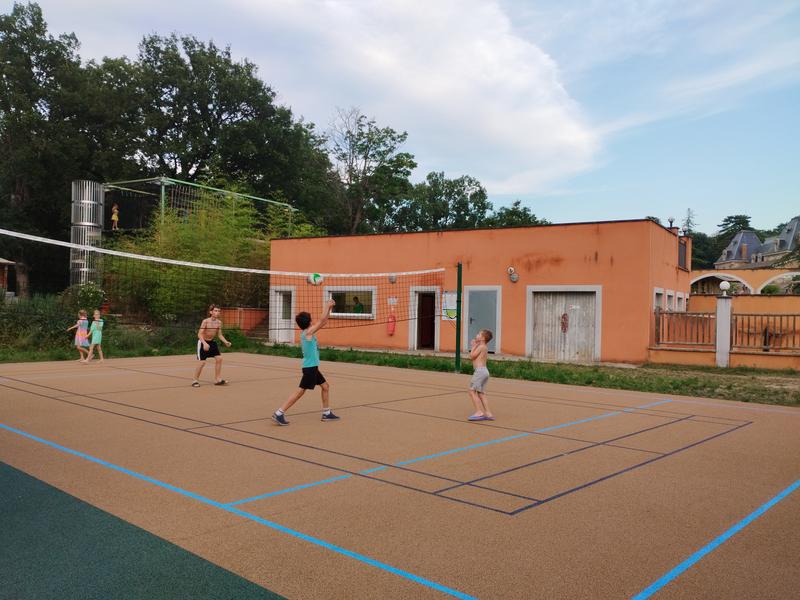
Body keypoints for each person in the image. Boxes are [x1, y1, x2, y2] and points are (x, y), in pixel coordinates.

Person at [273, 299, 339, 425]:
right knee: (300, 392)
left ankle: (326, 413)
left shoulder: (307, 332)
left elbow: (323, 322)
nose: (313, 320)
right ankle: (279, 413)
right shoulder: (308, 332)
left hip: (312, 368)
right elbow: (321, 321)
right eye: (311, 319)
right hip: (310, 369)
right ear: (309, 322)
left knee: (325, 387)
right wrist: (327, 305)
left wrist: (329, 309)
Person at [192, 304, 231, 387]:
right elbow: (199, 334)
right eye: (216, 311)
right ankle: (195, 380)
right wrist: (204, 343)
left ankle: (217, 379)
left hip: (212, 342)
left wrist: (226, 342)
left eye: (219, 311)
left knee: (219, 359)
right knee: (202, 362)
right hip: (203, 342)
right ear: (211, 312)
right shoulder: (205, 321)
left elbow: (220, 335)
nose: (217, 312)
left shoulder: (219, 322)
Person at [467, 329, 494, 421]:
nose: (476, 335)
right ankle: (488, 413)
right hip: (484, 371)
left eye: (478, 334)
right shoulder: (483, 346)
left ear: (482, 338)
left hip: (479, 372)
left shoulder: (481, 346)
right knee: (481, 393)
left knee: (471, 391)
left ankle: (479, 412)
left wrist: (473, 346)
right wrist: (476, 345)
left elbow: (472, 356)